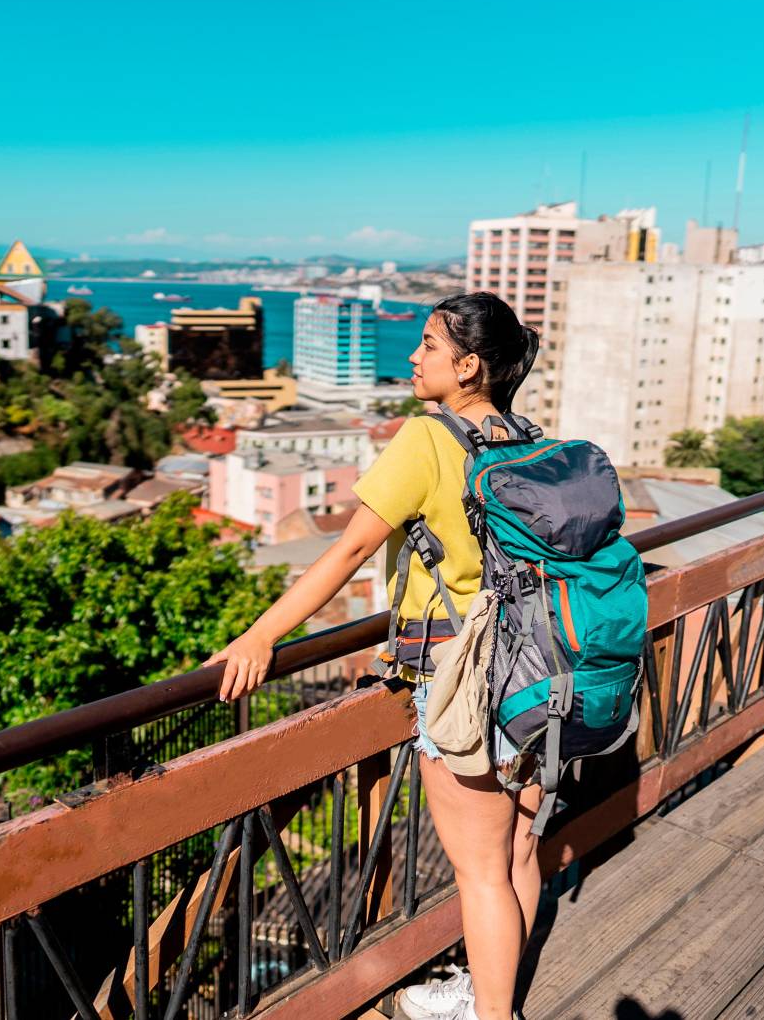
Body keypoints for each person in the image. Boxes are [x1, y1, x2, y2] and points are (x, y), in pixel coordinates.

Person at [204, 292, 542, 1020]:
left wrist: (263, 634)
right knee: (517, 851)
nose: (413, 357)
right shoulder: (527, 436)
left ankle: (493, 1015)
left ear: (469, 364)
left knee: (481, 871)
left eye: (427, 344)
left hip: (461, 678)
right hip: (539, 666)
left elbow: (352, 546)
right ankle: (495, 991)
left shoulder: (428, 438)